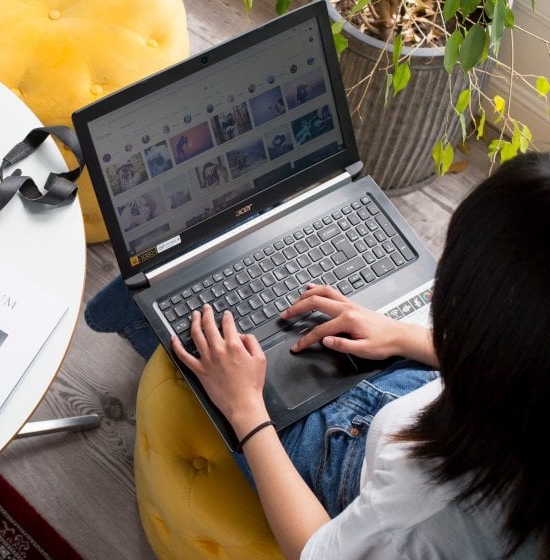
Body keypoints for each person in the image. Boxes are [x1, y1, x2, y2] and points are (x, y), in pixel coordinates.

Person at [85, 152, 548, 558]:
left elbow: (315, 550)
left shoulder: (420, 519)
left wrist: (246, 411)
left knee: (225, 355)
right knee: (297, 306)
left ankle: (141, 313)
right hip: (435, 407)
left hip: (353, 460)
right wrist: (406, 338)